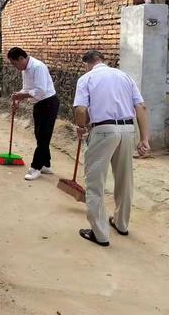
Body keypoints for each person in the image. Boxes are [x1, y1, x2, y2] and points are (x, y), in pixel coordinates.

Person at [74, 50, 150, 247]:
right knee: (125, 178)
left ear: (87, 64)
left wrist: (81, 128)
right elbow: (141, 107)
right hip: (127, 130)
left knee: (95, 181)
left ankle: (100, 234)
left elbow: (81, 109)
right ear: (103, 61)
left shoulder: (86, 78)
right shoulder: (124, 76)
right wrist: (145, 139)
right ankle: (121, 223)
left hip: (104, 131)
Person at [8, 47, 59, 181]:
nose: (15, 67)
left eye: (15, 63)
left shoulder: (37, 67)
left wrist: (22, 96)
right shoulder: (25, 69)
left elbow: (41, 90)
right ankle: (46, 164)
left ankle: (35, 167)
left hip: (48, 102)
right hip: (39, 103)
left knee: (43, 136)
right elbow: (26, 88)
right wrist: (18, 98)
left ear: (21, 58)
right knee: (39, 134)